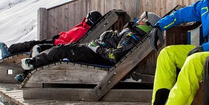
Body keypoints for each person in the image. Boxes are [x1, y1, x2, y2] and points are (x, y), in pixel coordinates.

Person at [19, 11, 160, 71]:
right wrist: (109, 36)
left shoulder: (133, 37)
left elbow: (115, 55)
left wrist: (96, 48)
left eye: (142, 18)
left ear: (146, 24)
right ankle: (33, 67)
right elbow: (117, 44)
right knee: (66, 50)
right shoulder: (133, 32)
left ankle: (33, 63)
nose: (138, 19)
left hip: (99, 57)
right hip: (98, 51)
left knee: (63, 50)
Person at [0, 10, 102, 59]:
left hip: (57, 45)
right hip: (58, 40)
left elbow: (71, 44)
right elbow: (68, 36)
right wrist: (59, 36)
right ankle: (10, 51)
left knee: (32, 44)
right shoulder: (83, 28)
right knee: (32, 43)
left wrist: (57, 40)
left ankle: (10, 52)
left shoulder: (82, 31)